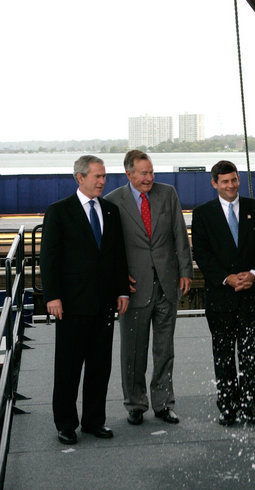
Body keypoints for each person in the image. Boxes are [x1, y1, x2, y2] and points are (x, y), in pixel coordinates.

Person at [40, 155, 129, 445]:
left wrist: (122, 290)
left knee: (99, 367)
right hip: (71, 304)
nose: (103, 181)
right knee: (68, 367)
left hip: (104, 304)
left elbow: (117, 256)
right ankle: (66, 423)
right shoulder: (59, 212)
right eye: (97, 176)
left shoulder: (111, 211)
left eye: (104, 176)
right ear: (80, 178)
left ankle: (94, 420)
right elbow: (49, 259)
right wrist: (52, 296)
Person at [105, 150, 193, 426]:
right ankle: (135, 404)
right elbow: (108, 250)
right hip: (133, 290)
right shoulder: (112, 202)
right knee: (133, 351)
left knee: (164, 350)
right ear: (129, 174)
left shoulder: (167, 194)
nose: (149, 178)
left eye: (152, 172)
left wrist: (186, 271)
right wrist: (118, 279)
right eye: (143, 173)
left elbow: (180, 234)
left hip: (167, 284)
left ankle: (164, 403)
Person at [191, 160, 255, 426]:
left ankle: (250, 407)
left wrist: (254, 275)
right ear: (214, 183)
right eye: (225, 181)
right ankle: (227, 407)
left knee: (250, 357)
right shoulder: (203, 213)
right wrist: (226, 278)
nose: (231, 186)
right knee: (224, 356)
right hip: (221, 298)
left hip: (251, 295)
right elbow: (201, 253)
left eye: (234, 180)